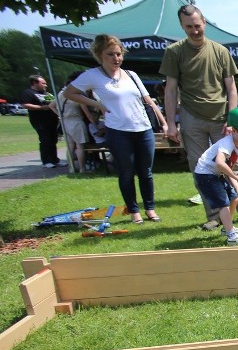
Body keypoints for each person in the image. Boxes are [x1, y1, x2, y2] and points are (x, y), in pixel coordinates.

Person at [159, 4, 238, 230]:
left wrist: (232, 120)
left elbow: (231, 88)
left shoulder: (220, 51)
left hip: (222, 117)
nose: (194, 30)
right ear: (183, 27)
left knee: (234, 164)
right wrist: (171, 122)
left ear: (204, 23)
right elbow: (170, 89)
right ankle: (214, 215)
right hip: (191, 117)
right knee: (202, 169)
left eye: (198, 25)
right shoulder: (174, 52)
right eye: (189, 27)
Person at [64, 35, 166, 224]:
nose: (116, 58)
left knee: (146, 172)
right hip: (118, 132)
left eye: (118, 54)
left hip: (143, 129)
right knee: (126, 172)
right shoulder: (92, 75)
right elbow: (70, 93)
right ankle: (134, 211)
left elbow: (148, 100)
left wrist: (164, 122)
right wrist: (96, 103)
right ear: (100, 55)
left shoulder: (132, 75)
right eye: (110, 54)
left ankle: (150, 209)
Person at [193, 107, 238, 246]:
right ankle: (231, 236)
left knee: (234, 198)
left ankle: (227, 227)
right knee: (223, 204)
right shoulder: (226, 143)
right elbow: (219, 163)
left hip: (215, 174)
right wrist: (237, 178)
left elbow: (228, 166)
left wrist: (236, 185)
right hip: (205, 175)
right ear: (234, 130)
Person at [51, 71, 96, 172]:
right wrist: (95, 125)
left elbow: (51, 106)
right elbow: (87, 113)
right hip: (76, 120)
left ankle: (71, 168)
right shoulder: (76, 95)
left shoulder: (61, 94)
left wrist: (60, 115)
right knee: (80, 146)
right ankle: (82, 168)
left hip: (65, 121)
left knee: (70, 146)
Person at [21, 74, 65, 168]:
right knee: (45, 140)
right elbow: (25, 105)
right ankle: (46, 161)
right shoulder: (28, 92)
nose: (45, 85)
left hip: (52, 121)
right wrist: (41, 108)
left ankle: (55, 160)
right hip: (40, 121)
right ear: (34, 83)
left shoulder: (47, 94)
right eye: (43, 83)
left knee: (53, 140)